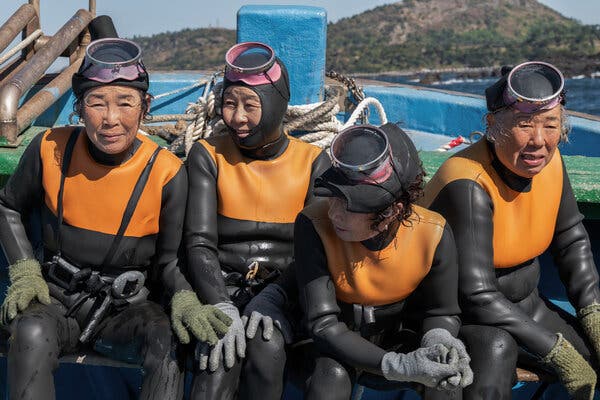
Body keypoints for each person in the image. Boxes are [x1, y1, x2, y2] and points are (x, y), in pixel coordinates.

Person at [0, 23, 230, 400]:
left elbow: (170, 262)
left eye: (125, 102)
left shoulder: (167, 172)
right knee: (29, 332)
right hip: (55, 299)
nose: (111, 118)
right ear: (79, 109)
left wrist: (186, 298)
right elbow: (7, 205)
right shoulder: (48, 148)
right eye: (96, 102)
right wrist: (25, 271)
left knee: (169, 341)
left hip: (127, 309)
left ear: (145, 108)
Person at [420, 61, 600, 400]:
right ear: (493, 125)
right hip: (463, 316)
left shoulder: (551, 161)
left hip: (529, 307)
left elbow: (571, 240)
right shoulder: (468, 183)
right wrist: (556, 352)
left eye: (551, 125)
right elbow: (476, 295)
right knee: (497, 351)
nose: (538, 141)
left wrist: (593, 313)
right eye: (523, 124)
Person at [184, 42, 331, 399]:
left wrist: (274, 297)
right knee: (217, 357)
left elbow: (315, 251)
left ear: (277, 103)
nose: (237, 117)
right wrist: (220, 304)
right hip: (222, 288)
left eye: (250, 105)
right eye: (230, 104)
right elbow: (198, 243)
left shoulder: (313, 163)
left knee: (267, 347)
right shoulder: (209, 155)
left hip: (285, 294)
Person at [295, 123, 473, 399]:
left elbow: (441, 311)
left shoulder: (433, 232)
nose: (334, 213)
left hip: (396, 335)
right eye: (333, 198)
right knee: (330, 377)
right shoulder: (313, 224)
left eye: (349, 205)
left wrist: (440, 339)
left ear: (393, 210)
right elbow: (323, 325)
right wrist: (397, 366)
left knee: (445, 378)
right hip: (331, 346)